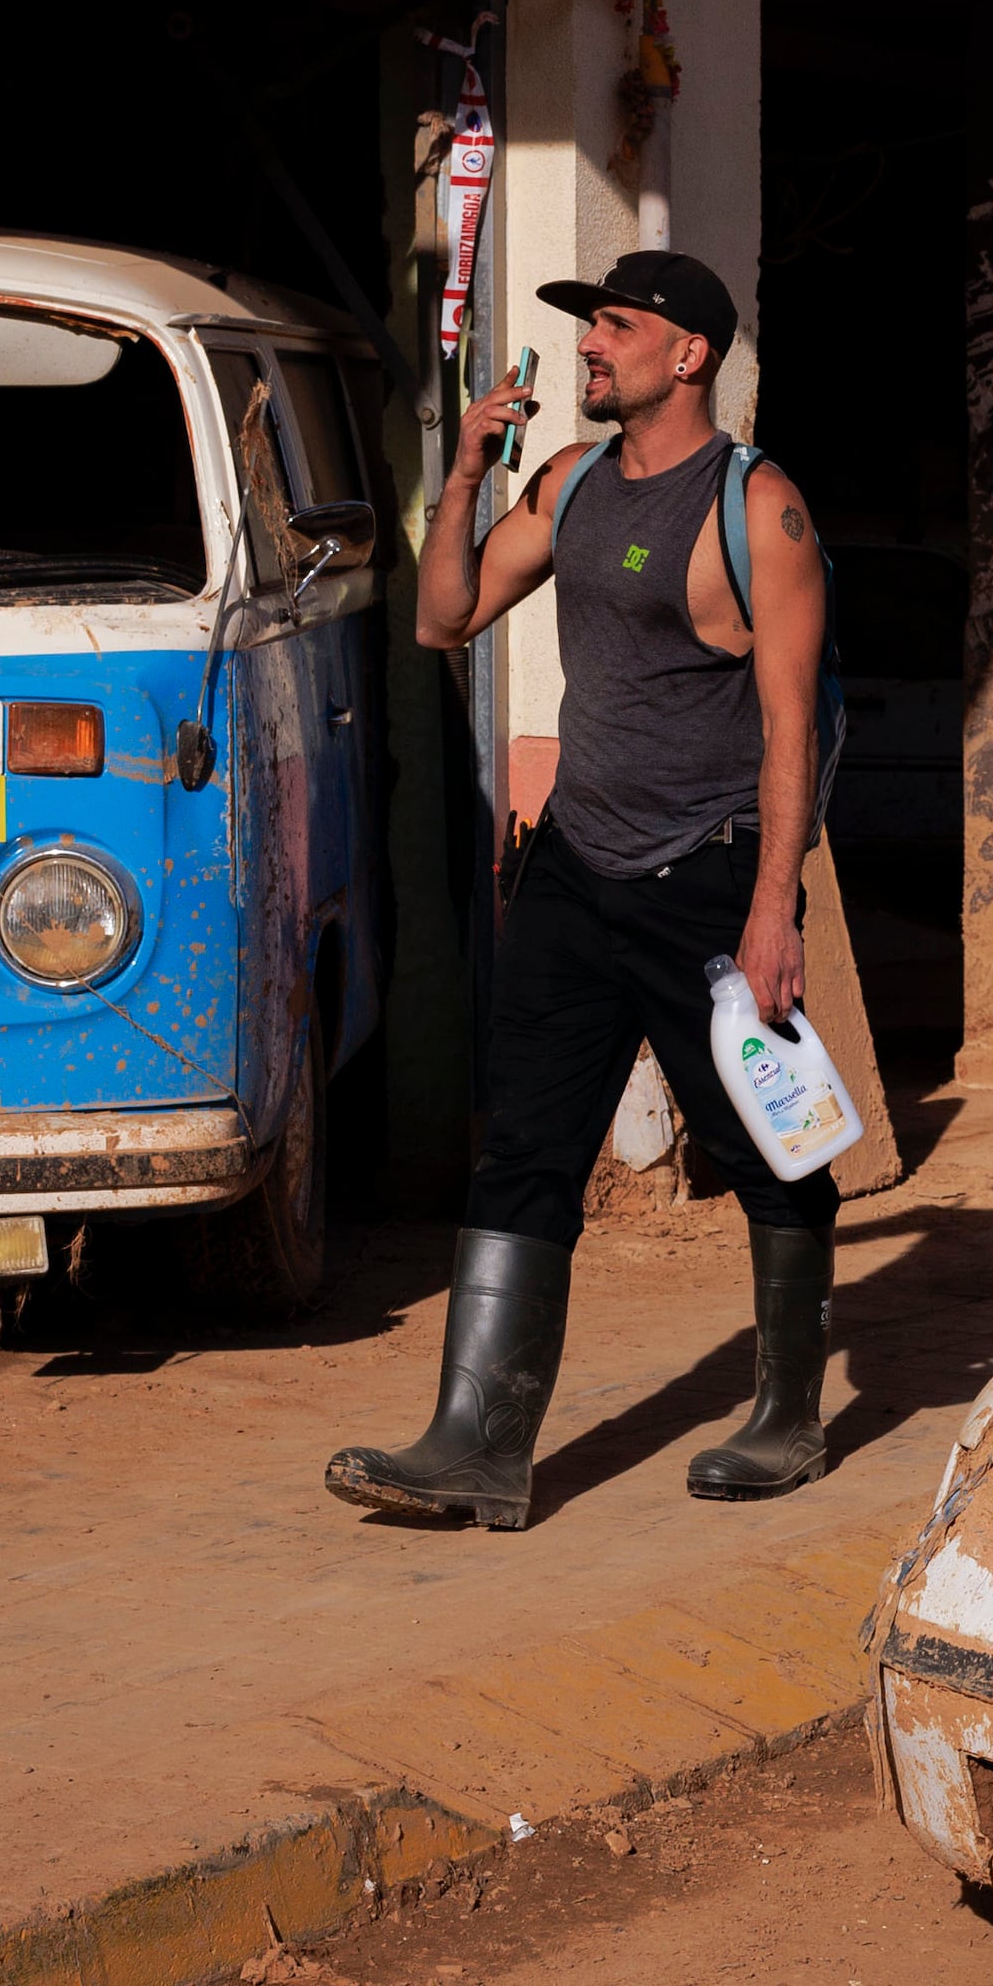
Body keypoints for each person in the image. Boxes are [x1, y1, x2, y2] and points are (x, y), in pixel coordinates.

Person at [326, 249, 848, 1532]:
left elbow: (791, 725)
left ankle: (788, 1411)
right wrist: (459, 477)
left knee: (769, 1145)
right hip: (571, 864)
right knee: (524, 1148)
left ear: (690, 356)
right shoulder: (566, 485)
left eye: (617, 326)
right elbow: (443, 620)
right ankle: (478, 1447)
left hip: (708, 874)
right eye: (590, 325)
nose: (591, 345)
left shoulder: (758, 510)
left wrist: (772, 907)